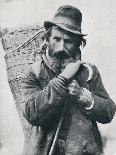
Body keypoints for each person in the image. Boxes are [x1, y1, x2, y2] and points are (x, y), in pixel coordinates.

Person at [21, 5, 116, 155]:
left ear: (79, 43)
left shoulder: (88, 72)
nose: (60, 47)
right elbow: (32, 113)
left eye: (68, 41)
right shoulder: (34, 72)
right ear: (47, 39)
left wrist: (85, 97)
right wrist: (63, 78)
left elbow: (109, 112)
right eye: (56, 39)